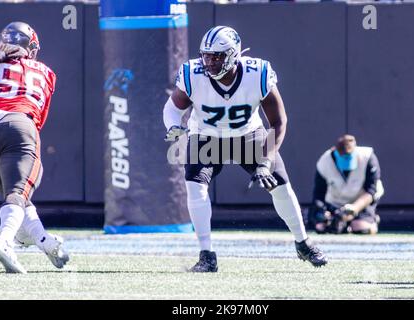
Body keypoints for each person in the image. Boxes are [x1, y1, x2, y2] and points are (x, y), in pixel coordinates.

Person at [163, 25, 327, 272]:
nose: (210, 62)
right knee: (195, 187)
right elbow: (172, 108)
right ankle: (206, 254)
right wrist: (174, 126)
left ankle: (303, 243)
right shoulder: (192, 73)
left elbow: (278, 121)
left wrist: (265, 161)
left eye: (217, 56)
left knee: (280, 185)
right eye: (206, 55)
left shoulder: (257, 72)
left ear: (233, 54)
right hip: (206, 136)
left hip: (248, 135)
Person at [0, 22, 69, 273]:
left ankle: (44, 241)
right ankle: (5, 241)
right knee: (17, 192)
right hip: (18, 124)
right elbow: (37, 118)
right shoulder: (47, 72)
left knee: (16, 195)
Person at [308, 134, 384, 234]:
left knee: (360, 228)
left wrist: (354, 208)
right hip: (334, 204)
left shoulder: (368, 157)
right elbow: (318, 194)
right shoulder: (324, 162)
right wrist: (324, 213)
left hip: (360, 203)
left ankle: (371, 222)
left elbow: (371, 191)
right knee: (321, 227)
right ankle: (344, 225)